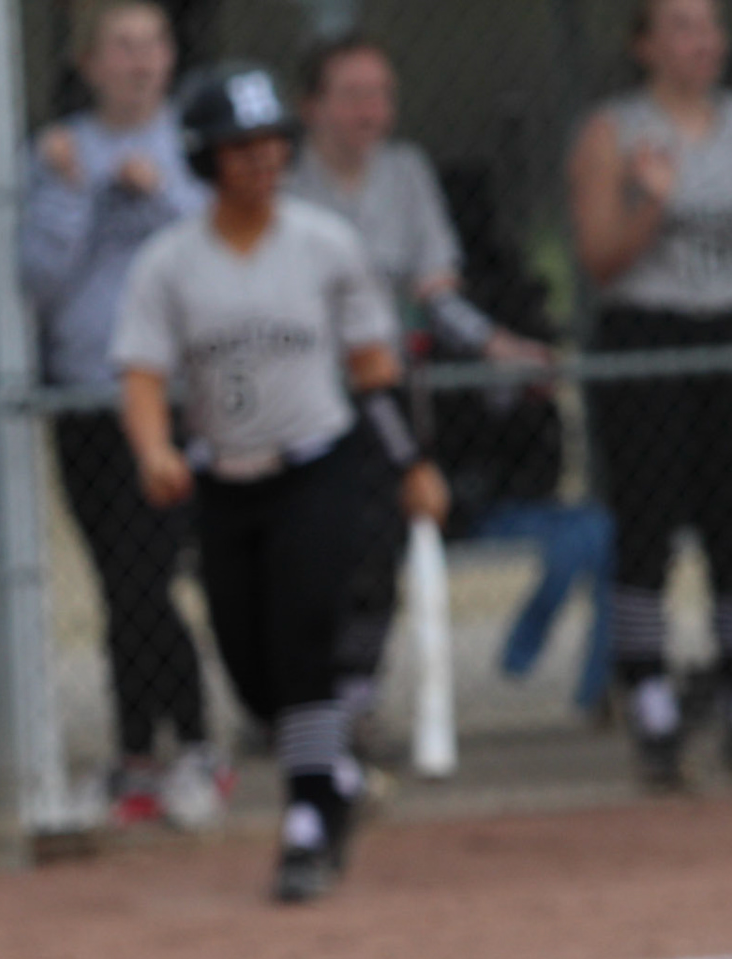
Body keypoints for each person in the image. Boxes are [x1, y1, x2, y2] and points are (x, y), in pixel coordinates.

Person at [112, 64, 447, 902]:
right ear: (205, 158)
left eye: (271, 145)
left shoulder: (324, 244)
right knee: (249, 670)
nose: (262, 161)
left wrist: (410, 463)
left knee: (303, 637)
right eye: (241, 148)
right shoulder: (170, 262)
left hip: (318, 468)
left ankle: (306, 822)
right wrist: (154, 450)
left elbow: (374, 370)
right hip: (226, 482)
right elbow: (143, 373)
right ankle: (336, 777)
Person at [287, 33, 613, 717]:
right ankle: (298, 691)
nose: (371, 111)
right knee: (310, 543)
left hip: (384, 390)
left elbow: (436, 294)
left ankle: (353, 700)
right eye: (353, 96)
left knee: (377, 534)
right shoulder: (284, 181)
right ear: (311, 106)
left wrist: (497, 344)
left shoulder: (405, 172)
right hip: (302, 391)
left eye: (381, 95)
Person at [568, 0, 732, 787]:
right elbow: (600, 259)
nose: (702, 42)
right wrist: (650, 199)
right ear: (644, 45)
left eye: (709, 26)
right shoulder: (613, 131)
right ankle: (649, 700)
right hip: (649, 336)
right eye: (681, 27)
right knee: (648, 522)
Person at [20, 0, 227, 827]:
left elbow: (220, 254)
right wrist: (79, 192)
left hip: (168, 398)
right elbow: (38, 279)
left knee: (146, 576)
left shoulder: (194, 143)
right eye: (122, 47)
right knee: (119, 583)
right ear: (90, 64)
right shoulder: (59, 151)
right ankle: (138, 761)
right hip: (83, 394)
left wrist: (159, 192)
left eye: (153, 45)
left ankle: (196, 750)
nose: (140, 61)